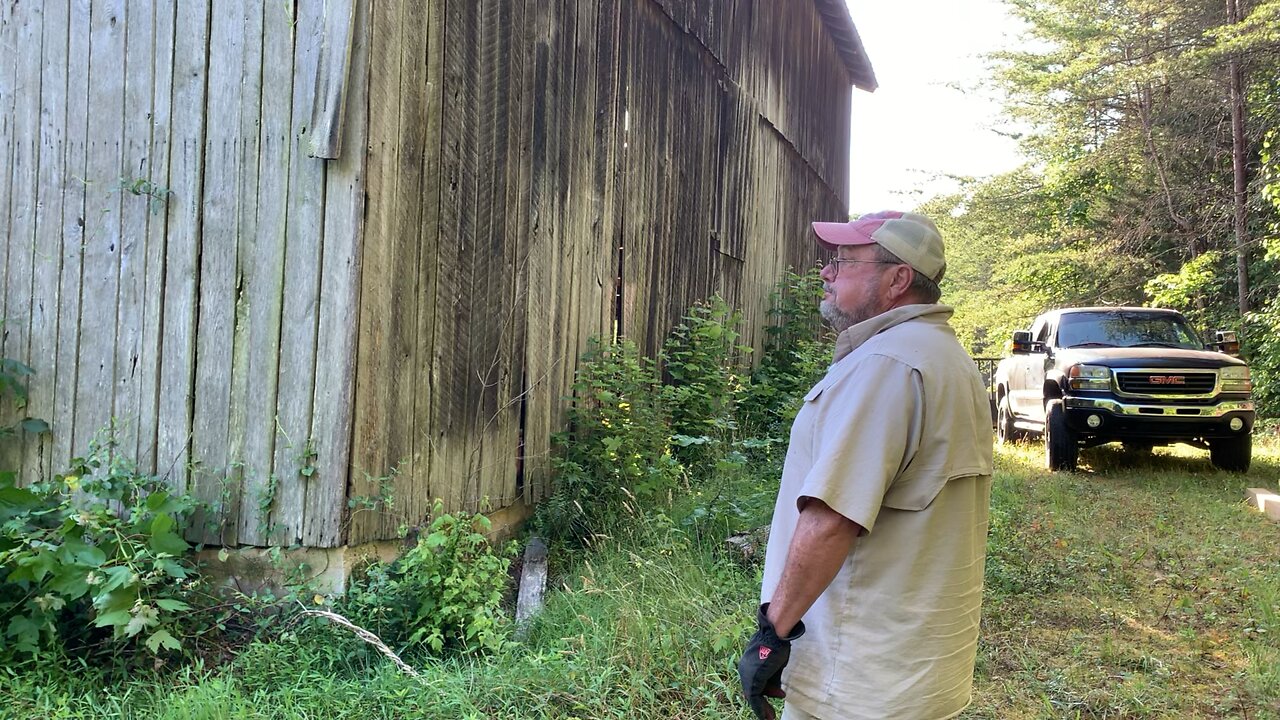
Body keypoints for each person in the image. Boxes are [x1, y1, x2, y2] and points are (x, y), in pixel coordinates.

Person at [738, 211, 994, 720]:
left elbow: (832, 518)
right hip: (915, 669)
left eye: (844, 261)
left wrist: (773, 633)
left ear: (898, 279)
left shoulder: (887, 366)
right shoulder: (949, 359)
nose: (826, 273)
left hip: (854, 678)